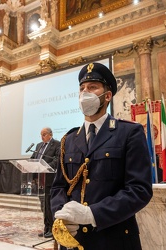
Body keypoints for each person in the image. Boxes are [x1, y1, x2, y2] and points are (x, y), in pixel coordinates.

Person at [50, 62, 153, 250]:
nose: (84, 93)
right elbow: (58, 187)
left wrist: (93, 214)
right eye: (81, 89)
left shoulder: (129, 133)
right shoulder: (69, 139)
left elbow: (139, 190)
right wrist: (62, 216)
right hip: (74, 239)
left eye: (92, 87)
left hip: (113, 239)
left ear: (107, 96)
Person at [31, 127, 60, 239]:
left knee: (49, 205)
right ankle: (46, 228)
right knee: (43, 205)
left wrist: (45, 167)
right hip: (40, 180)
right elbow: (33, 159)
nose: (42, 136)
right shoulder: (38, 146)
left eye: (44, 134)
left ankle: (53, 229)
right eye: (41, 134)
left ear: (50, 134)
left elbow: (57, 159)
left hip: (49, 179)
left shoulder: (56, 144)